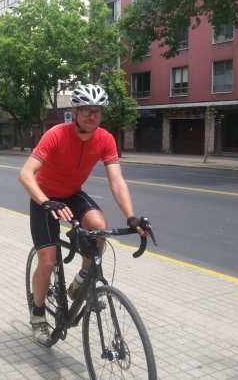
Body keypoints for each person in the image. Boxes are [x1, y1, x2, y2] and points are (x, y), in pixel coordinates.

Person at [18, 83, 150, 346]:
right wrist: (46, 202)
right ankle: (38, 312)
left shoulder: (105, 139)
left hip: (72, 193)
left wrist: (131, 217)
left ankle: (80, 282)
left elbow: (116, 181)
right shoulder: (56, 134)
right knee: (47, 260)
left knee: (99, 228)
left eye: (97, 111)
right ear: (75, 112)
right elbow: (25, 174)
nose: (92, 116)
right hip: (44, 198)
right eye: (86, 111)